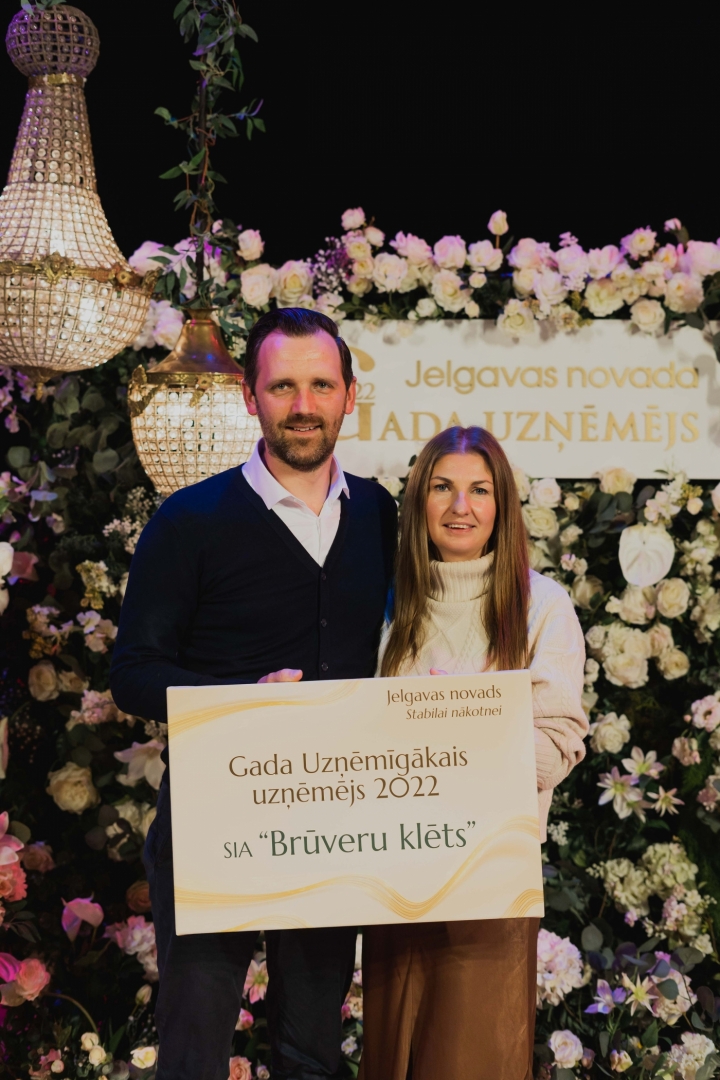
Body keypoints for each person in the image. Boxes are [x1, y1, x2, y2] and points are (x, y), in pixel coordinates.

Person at [110, 308, 398, 1080]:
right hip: (215, 820)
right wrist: (243, 697)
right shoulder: (190, 519)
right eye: (282, 387)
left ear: (349, 396)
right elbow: (133, 671)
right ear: (250, 397)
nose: (303, 405)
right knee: (194, 1053)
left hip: (334, 822)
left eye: (321, 386)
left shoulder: (380, 514)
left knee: (312, 1053)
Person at [359, 425, 588, 1080]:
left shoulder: (542, 606)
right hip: (395, 874)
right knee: (391, 1060)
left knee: (473, 1061)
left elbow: (552, 747)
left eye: (479, 490)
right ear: (419, 502)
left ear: (502, 505)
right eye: (443, 488)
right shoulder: (386, 607)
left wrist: (442, 745)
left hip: (492, 881)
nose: (461, 507)